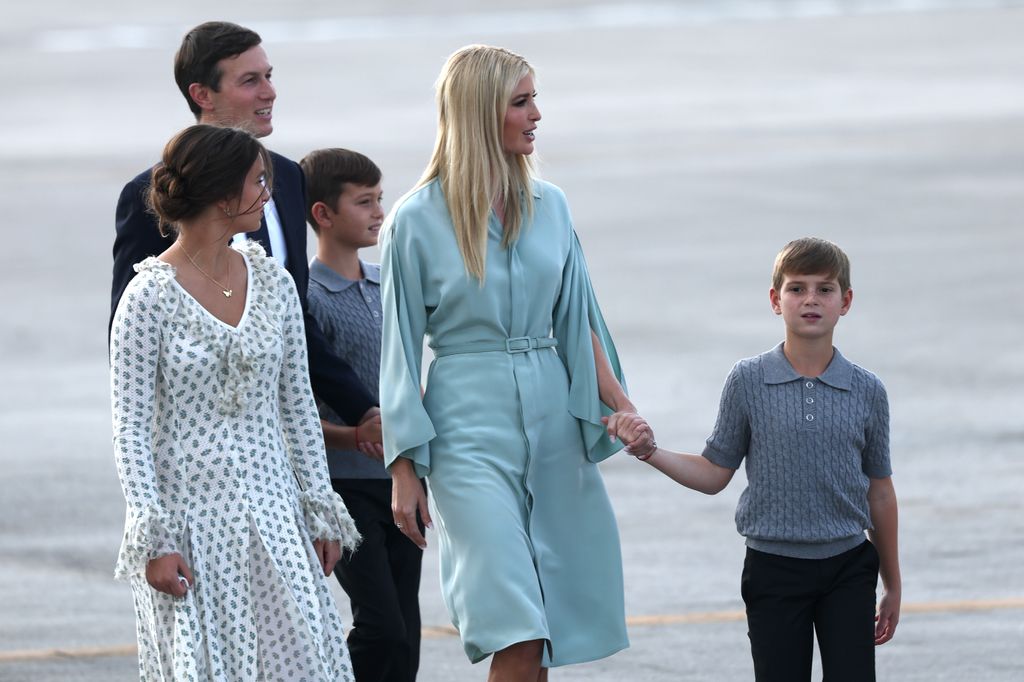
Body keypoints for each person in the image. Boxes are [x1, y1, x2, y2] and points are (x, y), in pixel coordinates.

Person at [379, 45, 651, 681]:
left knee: (546, 619)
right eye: (521, 101)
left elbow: (578, 321)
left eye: (535, 99)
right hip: (465, 432)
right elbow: (397, 351)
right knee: (515, 624)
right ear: (480, 113)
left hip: (552, 419)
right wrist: (403, 468)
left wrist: (621, 407)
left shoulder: (552, 205)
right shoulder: (415, 221)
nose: (537, 115)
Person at [110, 124, 360, 680]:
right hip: (191, 528)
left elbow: (296, 405)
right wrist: (154, 537)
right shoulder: (146, 297)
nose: (269, 195)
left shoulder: (272, 282)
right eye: (258, 182)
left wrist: (318, 507)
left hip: (276, 516)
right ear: (224, 196)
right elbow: (130, 429)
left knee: (302, 664)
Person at [609, 237, 902, 682]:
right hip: (773, 568)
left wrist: (892, 585)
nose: (810, 300)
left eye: (825, 289)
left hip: (849, 566)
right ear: (775, 299)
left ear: (845, 302)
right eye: (796, 288)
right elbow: (713, 474)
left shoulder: (867, 390)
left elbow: (880, 491)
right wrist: (651, 452)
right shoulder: (748, 380)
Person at [111, 20, 379, 434]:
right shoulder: (149, 193)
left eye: (268, 76)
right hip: (200, 440)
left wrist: (363, 410)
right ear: (202, 94)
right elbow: (129, 340)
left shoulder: (288, 177)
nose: (269, 92)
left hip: (288, 432)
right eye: (250, 80)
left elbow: (295, 318)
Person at [301, 147, 425, 682]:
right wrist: (352, 436)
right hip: (344, 488)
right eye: (363, 202)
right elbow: (295, 411)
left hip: (404, 480)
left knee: (408, 628)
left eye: (380, 199)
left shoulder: (389, 283)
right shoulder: (305, 297)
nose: (379, 212)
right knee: (380, 626)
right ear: (322, 214)